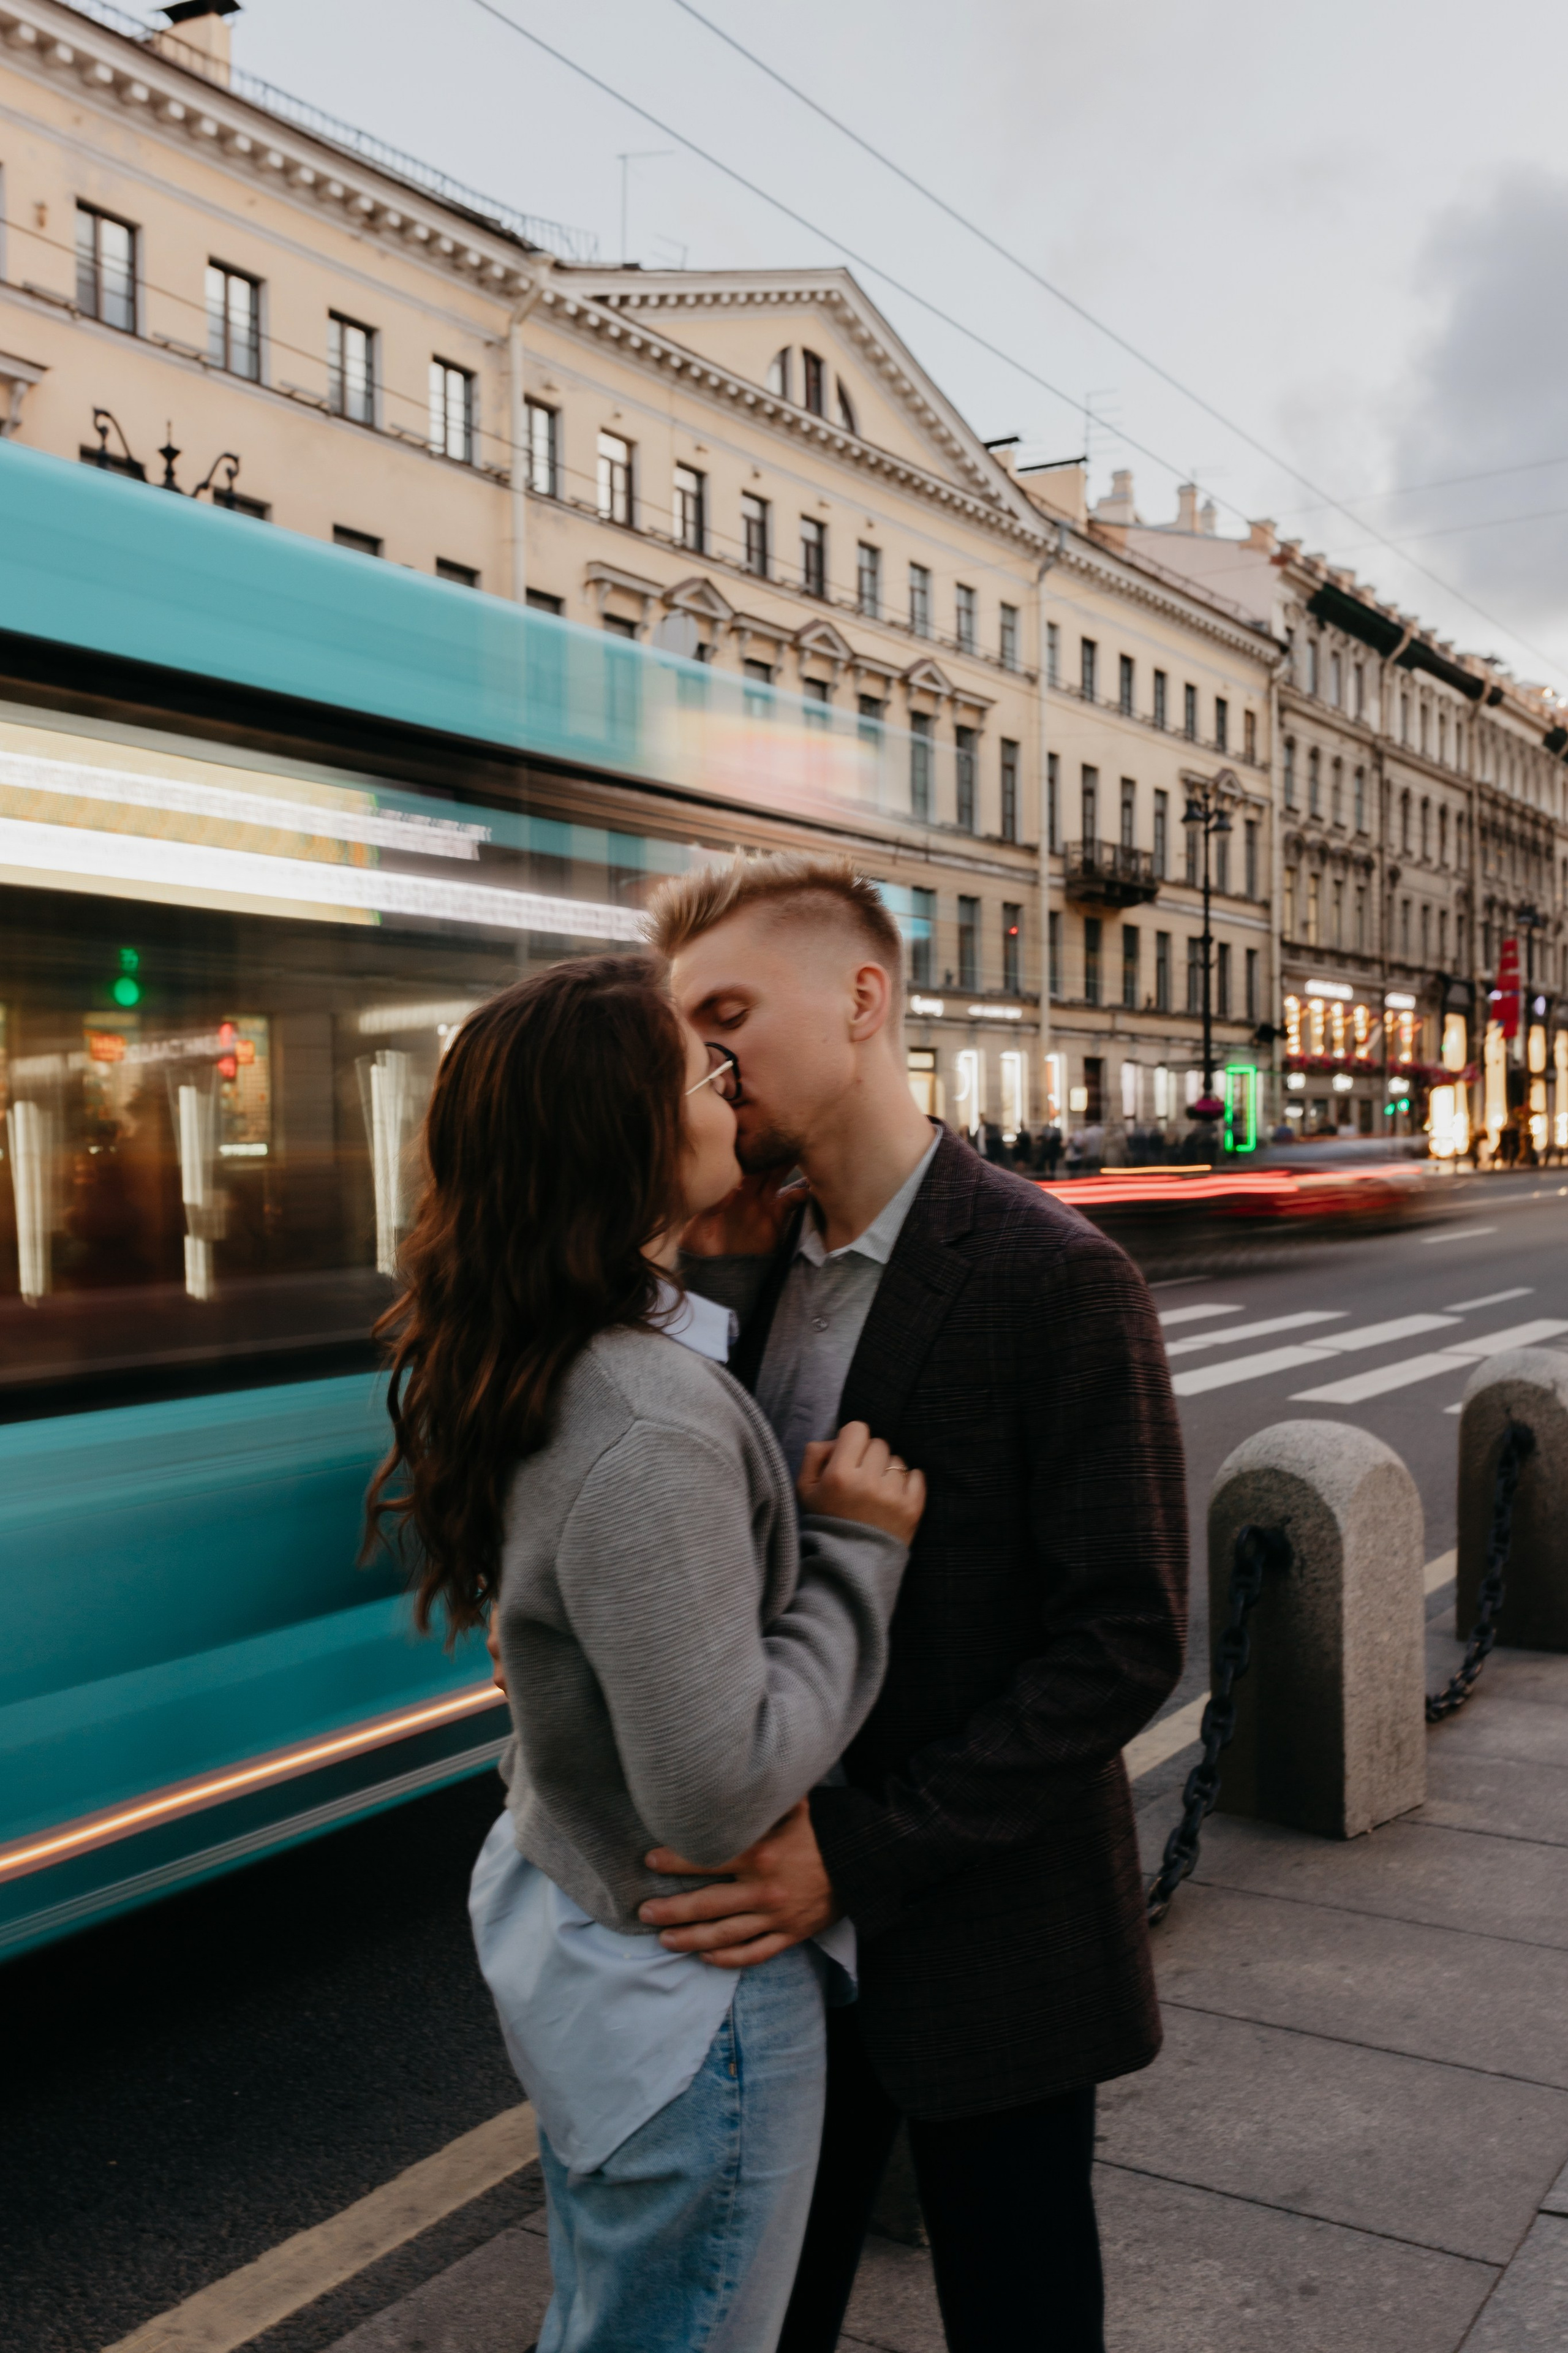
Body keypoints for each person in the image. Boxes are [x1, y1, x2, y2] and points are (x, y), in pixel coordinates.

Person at [638, 855, 1188, 2353]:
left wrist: (861, 1858)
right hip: (777, 1964)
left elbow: (1123, 1640)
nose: (706, 1060)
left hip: (989, 1941)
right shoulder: (736, 1267)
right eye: (688, 1031)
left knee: (1017, 2316)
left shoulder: (1050, 1274)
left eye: (729, 1013)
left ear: (865, 999)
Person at [364, 954, 925, 2353]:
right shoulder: (646, 1420)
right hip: (695, 2008)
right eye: (697, 1069)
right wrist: (857, 1556)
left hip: (599, 1954)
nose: (725, 1081)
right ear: (624, 1134)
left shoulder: (554, 1347)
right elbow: (716, 1792)